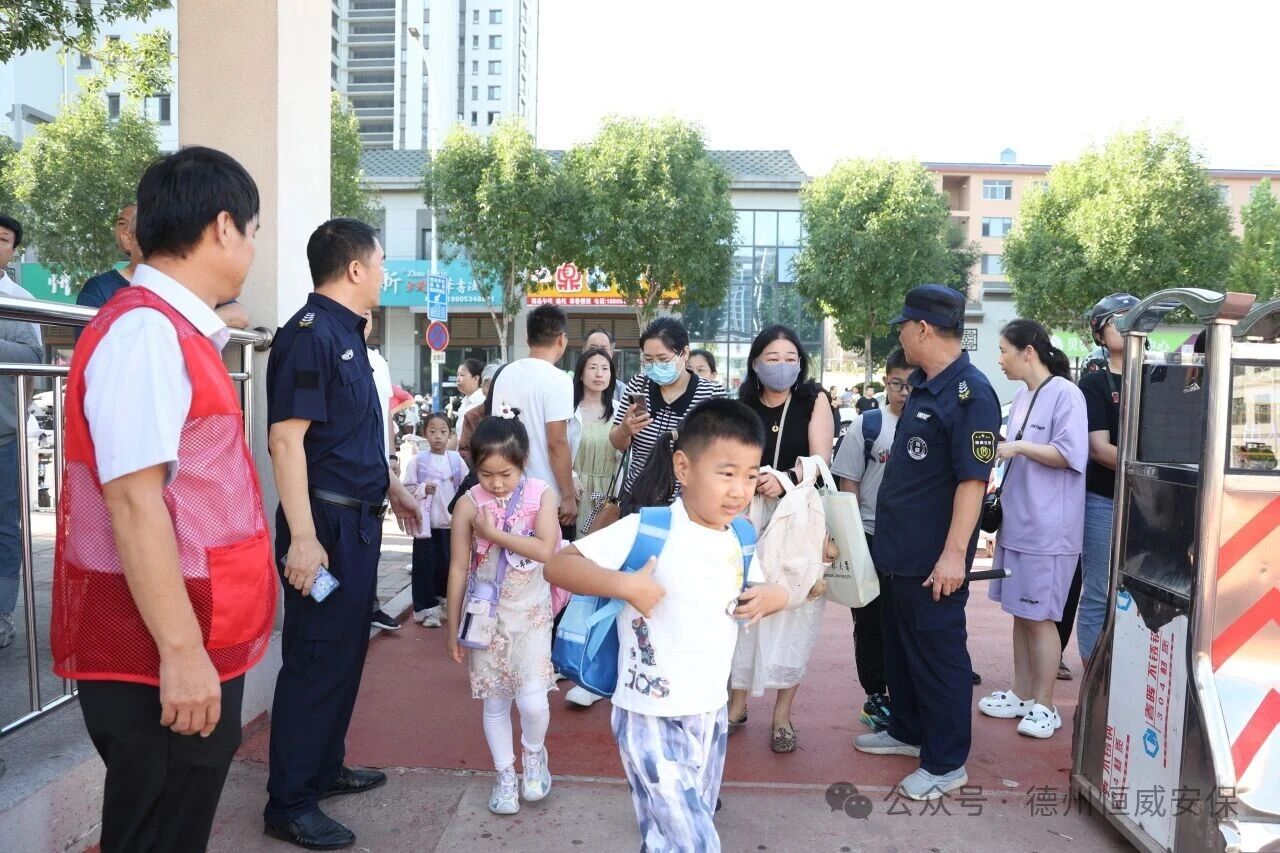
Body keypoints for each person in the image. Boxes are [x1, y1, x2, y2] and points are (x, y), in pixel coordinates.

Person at [48, 147, 275, 852]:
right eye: (252, 231)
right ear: (223, 227)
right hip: (159, 646)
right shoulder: (145, 332)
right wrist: (180, 653)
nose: (252, 248)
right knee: (159, 827)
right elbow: (132, 503)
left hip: (189, 627)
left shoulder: (171, 328)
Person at [546, 399, 791, 852]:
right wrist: (623, 585)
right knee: (695, 842)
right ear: (683, 467)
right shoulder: (651, 528)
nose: (739, 490)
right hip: (648, 713)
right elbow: (560, 566)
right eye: (726, 473)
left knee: (668, 837)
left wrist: (777, 595)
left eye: (750, 475)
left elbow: (759, 587)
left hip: (710, 711)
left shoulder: (739, 536)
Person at [263, 217, 421, 850]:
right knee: (316, 657)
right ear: (355, 268)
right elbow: (286, 440)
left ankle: (324, 768)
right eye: (380, 263)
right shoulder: (310, 336)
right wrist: (303, 539)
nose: (385, 274)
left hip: (357, 521)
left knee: (345, 652)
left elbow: (348, 437)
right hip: (323, 527)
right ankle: (289, 803)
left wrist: (392, 484)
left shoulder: (347, 335)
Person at [852, 284, 1000, 802]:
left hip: (934, 559)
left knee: (939, 657)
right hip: (899, 552)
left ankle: (945, 762)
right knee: (901, 649)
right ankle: (908, 729)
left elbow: (972, 483)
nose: (900, 336)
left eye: (903, 327)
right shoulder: (924, 386)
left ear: (922, 329)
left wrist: (954, 556)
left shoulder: (971, 394)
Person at [445, 413, 562, 815]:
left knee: (533, 702)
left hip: (532, 613)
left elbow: (544, 549)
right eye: (486, 473)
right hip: (486, 616)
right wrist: (452, 626)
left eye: (505, 474)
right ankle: (505, 774)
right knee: (494, 702)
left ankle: (533, 754)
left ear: (524, 461)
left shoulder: (542, 494)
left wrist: (493, 534)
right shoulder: (467, 504)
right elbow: (458, 567)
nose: (496, 483)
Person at [727, 325, 835, 753]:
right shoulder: (742, 404)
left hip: (798, 521)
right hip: (748, 518)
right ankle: (736, 704)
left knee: (795, 613)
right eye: (772, 358)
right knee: (744, 610)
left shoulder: (813, 399)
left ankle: (782, 715)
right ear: (755, 363)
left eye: (791, 358)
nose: (782, 366)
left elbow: (821, 461)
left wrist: (785, 478)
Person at [979, 320, 1087, 739]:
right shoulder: (1024, 395)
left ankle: (1046, 704)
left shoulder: (1066, 393)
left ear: (1028, 351)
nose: (1000, 359)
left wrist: (1018, 446)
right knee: (1021, 612)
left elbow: (1070, 454)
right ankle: (1022, 693)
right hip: (1019, 522)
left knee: (1040, 616)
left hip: (1049, 529)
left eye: (1004, 350)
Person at [831, 347, 913, 732]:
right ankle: (876, 695)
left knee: (906, 621)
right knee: (868, 621)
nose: (904, 393)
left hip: (911, 541)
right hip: (869, 535)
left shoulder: (930, 423)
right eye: (897, 384)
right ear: (885, 383)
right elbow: (848, 484)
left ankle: (906, 694)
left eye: (912, 385)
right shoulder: (868, 425)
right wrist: (851, 538)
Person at [1074, 293, 1139, 664]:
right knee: (1100, 591)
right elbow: (1098, 449)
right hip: (1104, 500)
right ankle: (1094, 681)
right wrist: (1148, 467)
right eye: (1119, 319)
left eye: (1136, 316)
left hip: (1150, 503)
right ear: (1099, 333)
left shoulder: (1159, 374)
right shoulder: (1094, 383)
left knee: (1143, 593)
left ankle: (1130, 677)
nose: (1129, 325)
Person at [77, 203, 252, 330]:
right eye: (149, 235)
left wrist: (193, 326)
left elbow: (239, 315)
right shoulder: (98, 289)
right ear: (128, 239)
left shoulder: (182, 284)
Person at [489, 304, 578, 538]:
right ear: (561, 339)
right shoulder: (559, 380)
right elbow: (557, 442)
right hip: (546, 499)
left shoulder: (504, 374)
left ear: (527, 338)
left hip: (505, 493)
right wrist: (569, 496)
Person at [563, 346, 621, 707]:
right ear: (581, 372)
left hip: (607, 498)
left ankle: (590, 652)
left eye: (605, 368)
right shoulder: (569, 412)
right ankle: (565, 644)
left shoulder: (618, 412)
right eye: (593, 367)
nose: (599, 374)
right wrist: (568, 482)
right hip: (578, 493)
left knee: (598, 565)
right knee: (574, 562)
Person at [611, 317, 724, 495]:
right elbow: (617, 442)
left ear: (684, 353)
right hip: (637, 495)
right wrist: (625, 430)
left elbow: (721, 452)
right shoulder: (638, 385)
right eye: (648, 359)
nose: (655, 366)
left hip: (688, 501)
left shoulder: (711, 394)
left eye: (663, 359)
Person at [0, 213, 42, 651]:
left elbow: (33, 358)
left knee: (4, 526)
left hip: (4, 435)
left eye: (3, 239)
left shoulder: (19, 299)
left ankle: (2, 613)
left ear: (14, 249)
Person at [403, 412, 466, 627]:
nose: (438, 436)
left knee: (448, 565)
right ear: (424, 433)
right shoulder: (418, 461)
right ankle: (427, 610)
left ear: (450, 434)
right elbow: (407, 489)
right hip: (426, 526)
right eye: (432, 431)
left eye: (443, 431)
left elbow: (467, 488)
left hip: (451, 524)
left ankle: (445, 603)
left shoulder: (456, 461)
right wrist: (422, 489)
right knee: (424, 567)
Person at [363, 310, 401, 632]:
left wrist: (391, 455)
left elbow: (386, 412)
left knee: (374, 538)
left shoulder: (378, 361)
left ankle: (371, 605)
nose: (364, 318)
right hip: (348, 471)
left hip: (379, 466)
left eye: (368, 314)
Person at [459, 363, 501, 469]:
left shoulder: (512, 413)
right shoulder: (472, 416)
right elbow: (464, 450)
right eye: (488, 384)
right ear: (484, 386)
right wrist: (483, 465)